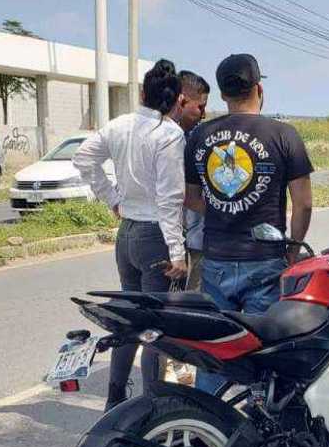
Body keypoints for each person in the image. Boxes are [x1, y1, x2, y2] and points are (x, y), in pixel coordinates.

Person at [184, 53, 314, 394]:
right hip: (265, 259)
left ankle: (204, 426)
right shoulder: (284, 134)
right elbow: (304, 202)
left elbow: (191, 197)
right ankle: (260, 431)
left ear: (223, 95)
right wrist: (294, 250)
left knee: (215, 350)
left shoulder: (199, 136)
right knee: (263, 352)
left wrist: (222, 209)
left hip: (215, 261)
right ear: (259, 88)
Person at [74, 58, 188, 411]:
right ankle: (152, 408)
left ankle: (114, 397)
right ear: (175, 101)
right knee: (152, 326)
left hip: (126, 235)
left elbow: (82, 158)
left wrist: (112, 198)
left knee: (128, 319)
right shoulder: (169, 134)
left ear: (142, 93)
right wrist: (178, 251)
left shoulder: (119, 125)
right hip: (155, 236)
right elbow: (171, 198)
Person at [176, 70, 211, 291]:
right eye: (200, 107)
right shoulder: (158, 139)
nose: (204, 114)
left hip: (197, 240)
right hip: (166, 240)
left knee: (195, 303)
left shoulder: (201, 138)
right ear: (181, 100)